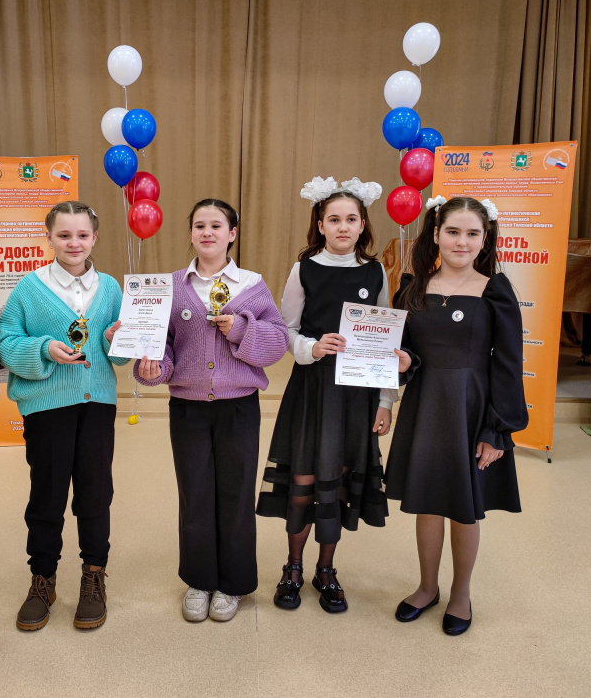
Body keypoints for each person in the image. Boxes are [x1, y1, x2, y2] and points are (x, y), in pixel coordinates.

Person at [256, 177, 412, 613]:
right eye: (334, 220)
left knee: (339, 481)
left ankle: (326, 569)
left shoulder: (374, 271)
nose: (343, 227)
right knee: (304, 480)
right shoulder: (304, 268)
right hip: (314, 389)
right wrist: (312, 346)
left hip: (356, 394)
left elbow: (385, 341)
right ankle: (293, 566)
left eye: (351, 219)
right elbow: (284, 330)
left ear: (363, 225)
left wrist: (386, 401)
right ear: (320, 225)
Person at [135, 198, 288, 623]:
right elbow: (162, 344)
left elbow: (277, 341)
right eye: (199, 225)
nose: (207, 232)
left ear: (232, 234)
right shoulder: (170, 286)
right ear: (190, 233)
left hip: (238, 407)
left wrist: (241, 329)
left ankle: (233, 583)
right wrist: (154, 368)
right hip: (188, 408)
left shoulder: (252, 285)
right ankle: (199, 580)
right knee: (195, 493)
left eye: (216, 225)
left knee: (236, 493)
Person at [385, 194, 528, 636]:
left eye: (472, 233)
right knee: (427, 502)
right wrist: (404, 362)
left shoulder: (495, 291)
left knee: (465, 507)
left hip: (471, 408)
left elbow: (508, 365)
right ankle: (427, 587)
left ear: (485, 239)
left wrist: (497, 430)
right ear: (436, 234)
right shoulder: (412, 288)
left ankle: (460, 592)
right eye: (453, 231)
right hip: (426, 405)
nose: (461, 242)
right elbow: (408, 352)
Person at [0, 200, 128, 632]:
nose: (74, 243)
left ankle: (94, 575)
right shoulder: (29, 288)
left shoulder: (110, 288)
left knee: (95, 491)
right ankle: (43, 579)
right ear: (49, 237)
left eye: (82, 235)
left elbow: (119, 354)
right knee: (47, 494)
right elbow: (6, 341)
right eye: (64, 235)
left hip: (97, 403)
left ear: (95, 238)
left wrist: (115, 339)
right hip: (47, 406)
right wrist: (42, 349)